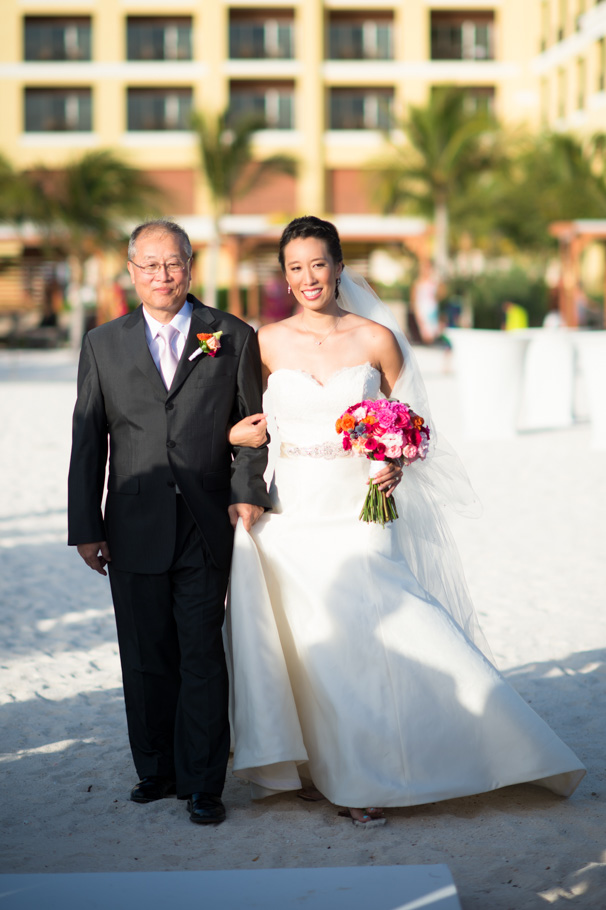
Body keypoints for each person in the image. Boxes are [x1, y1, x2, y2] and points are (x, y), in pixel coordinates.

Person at [225, 215, 585, 827]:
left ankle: (432, 759)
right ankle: (325, 767)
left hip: (362, 509)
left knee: (383, 638)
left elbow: (414, 421)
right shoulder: (266, 341)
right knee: (314, 649)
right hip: (292, 516)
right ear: (283, 275)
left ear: (339, 266)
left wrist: (397, 458)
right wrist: (235, 436)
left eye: (318, 263)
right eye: (294, 267)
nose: (307, 277)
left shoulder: (377, 339)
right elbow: (242, 426)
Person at [67, 219, 271, 825]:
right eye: (149, 264)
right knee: (145, 653)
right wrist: (86, 524)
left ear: (190, 266)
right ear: (131, 271)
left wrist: (245, 492)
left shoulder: (231, 335)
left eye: (173, 263)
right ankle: (156, 770)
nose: (162, 275)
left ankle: (205, 782)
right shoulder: (102, 344)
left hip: (207, 524)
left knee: (203, 654)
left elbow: (255, 432)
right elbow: (87, 440)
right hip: (130, 524)